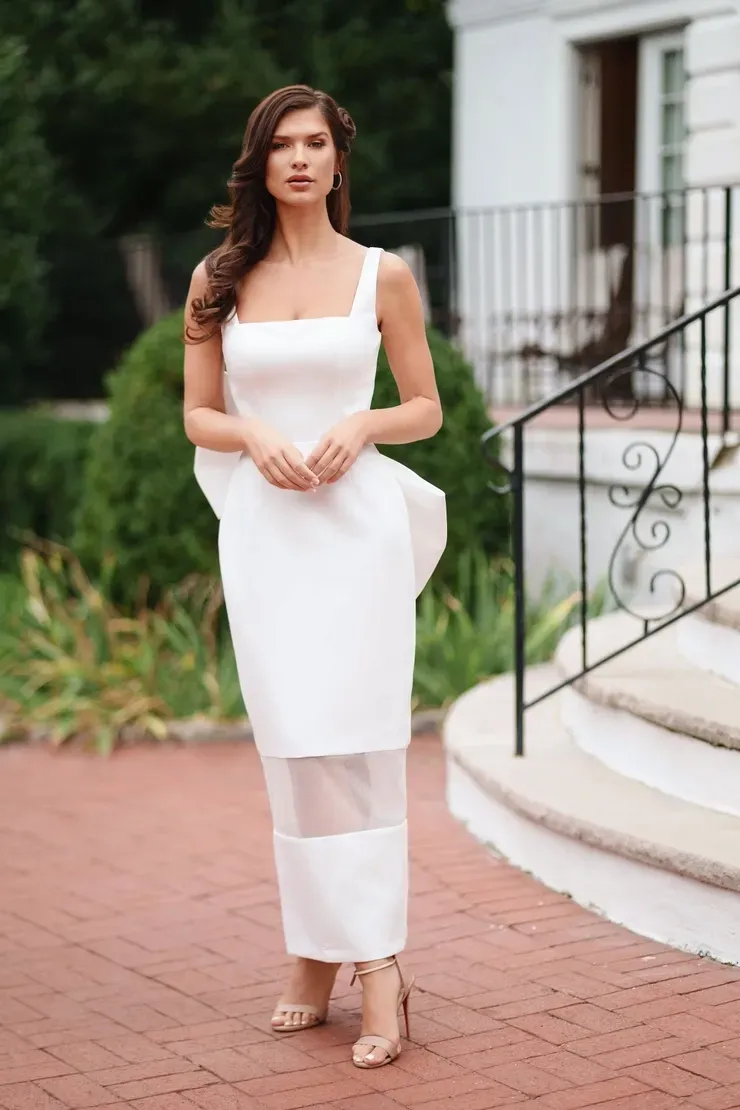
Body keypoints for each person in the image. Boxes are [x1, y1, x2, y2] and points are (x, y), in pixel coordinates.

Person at [182, 84, 446, 1070]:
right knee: (292, 745)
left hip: (355, 533)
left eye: (316, 143)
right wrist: (252, 434)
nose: (300, 158)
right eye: (281, 144)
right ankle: (311, 951)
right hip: (266, 539)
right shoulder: (215, 279)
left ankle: (374, 964)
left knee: (360, 740)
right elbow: (198, 416)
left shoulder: (382, 277)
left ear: (339, 161)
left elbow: (421, 406)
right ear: (260, 163)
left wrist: (359, 423)